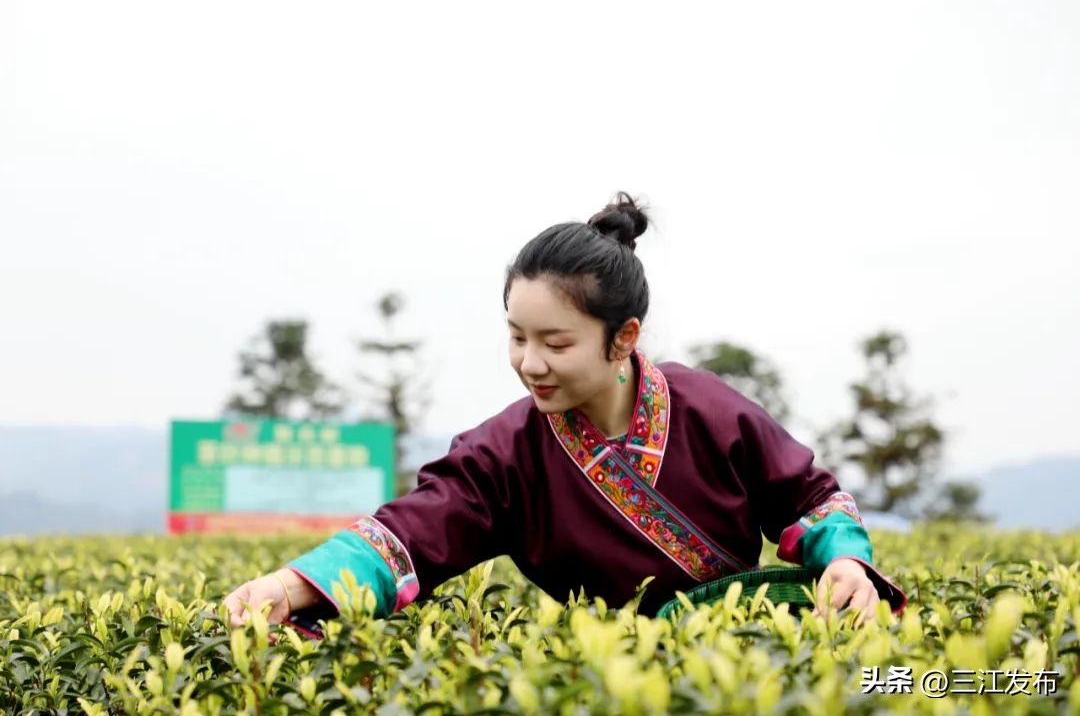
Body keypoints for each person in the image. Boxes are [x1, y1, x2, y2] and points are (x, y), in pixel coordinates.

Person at [224, 193, 907, 633]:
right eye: (516, 337)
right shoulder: (503, 454)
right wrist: (291, 584)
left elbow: (809, 499)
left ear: (624, 337)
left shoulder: (709, 409)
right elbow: (409, 534)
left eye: (556, 343)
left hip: (758, 645)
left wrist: (843, 561)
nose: (530, 363)